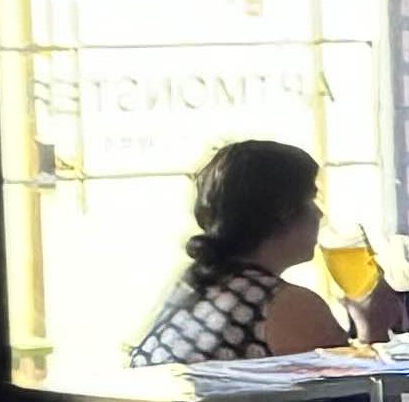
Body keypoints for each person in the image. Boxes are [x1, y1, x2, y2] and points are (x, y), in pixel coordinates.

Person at [125, 141, 353, 367]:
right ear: (283, 212)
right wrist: (368, 325)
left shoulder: (196, 288)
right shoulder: (288, 305)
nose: (319, 213)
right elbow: (353, 385)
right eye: (311, 200)